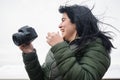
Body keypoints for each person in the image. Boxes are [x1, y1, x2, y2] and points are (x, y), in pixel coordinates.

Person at [19, 4, 114, 80]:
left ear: (77, 22)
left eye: (63, 20)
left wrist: (59, 46)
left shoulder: (97, 47)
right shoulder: (62, 46)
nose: (59, 25)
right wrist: (29, 53)